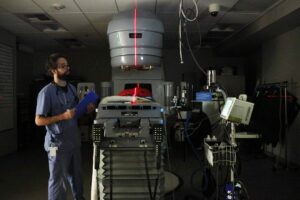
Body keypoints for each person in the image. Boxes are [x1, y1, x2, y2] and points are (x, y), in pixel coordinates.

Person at [35, 53, 95, 200]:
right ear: (53, 70)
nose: (67, 69)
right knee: (57, 181)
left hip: (73, 142)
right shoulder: (46, 93)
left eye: (67, 66)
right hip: (57, 145)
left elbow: (75, 114)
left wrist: (86, 109)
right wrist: (62, 116)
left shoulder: (72, 90)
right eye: (62, 66)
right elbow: (38, 120)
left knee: (77, 178)